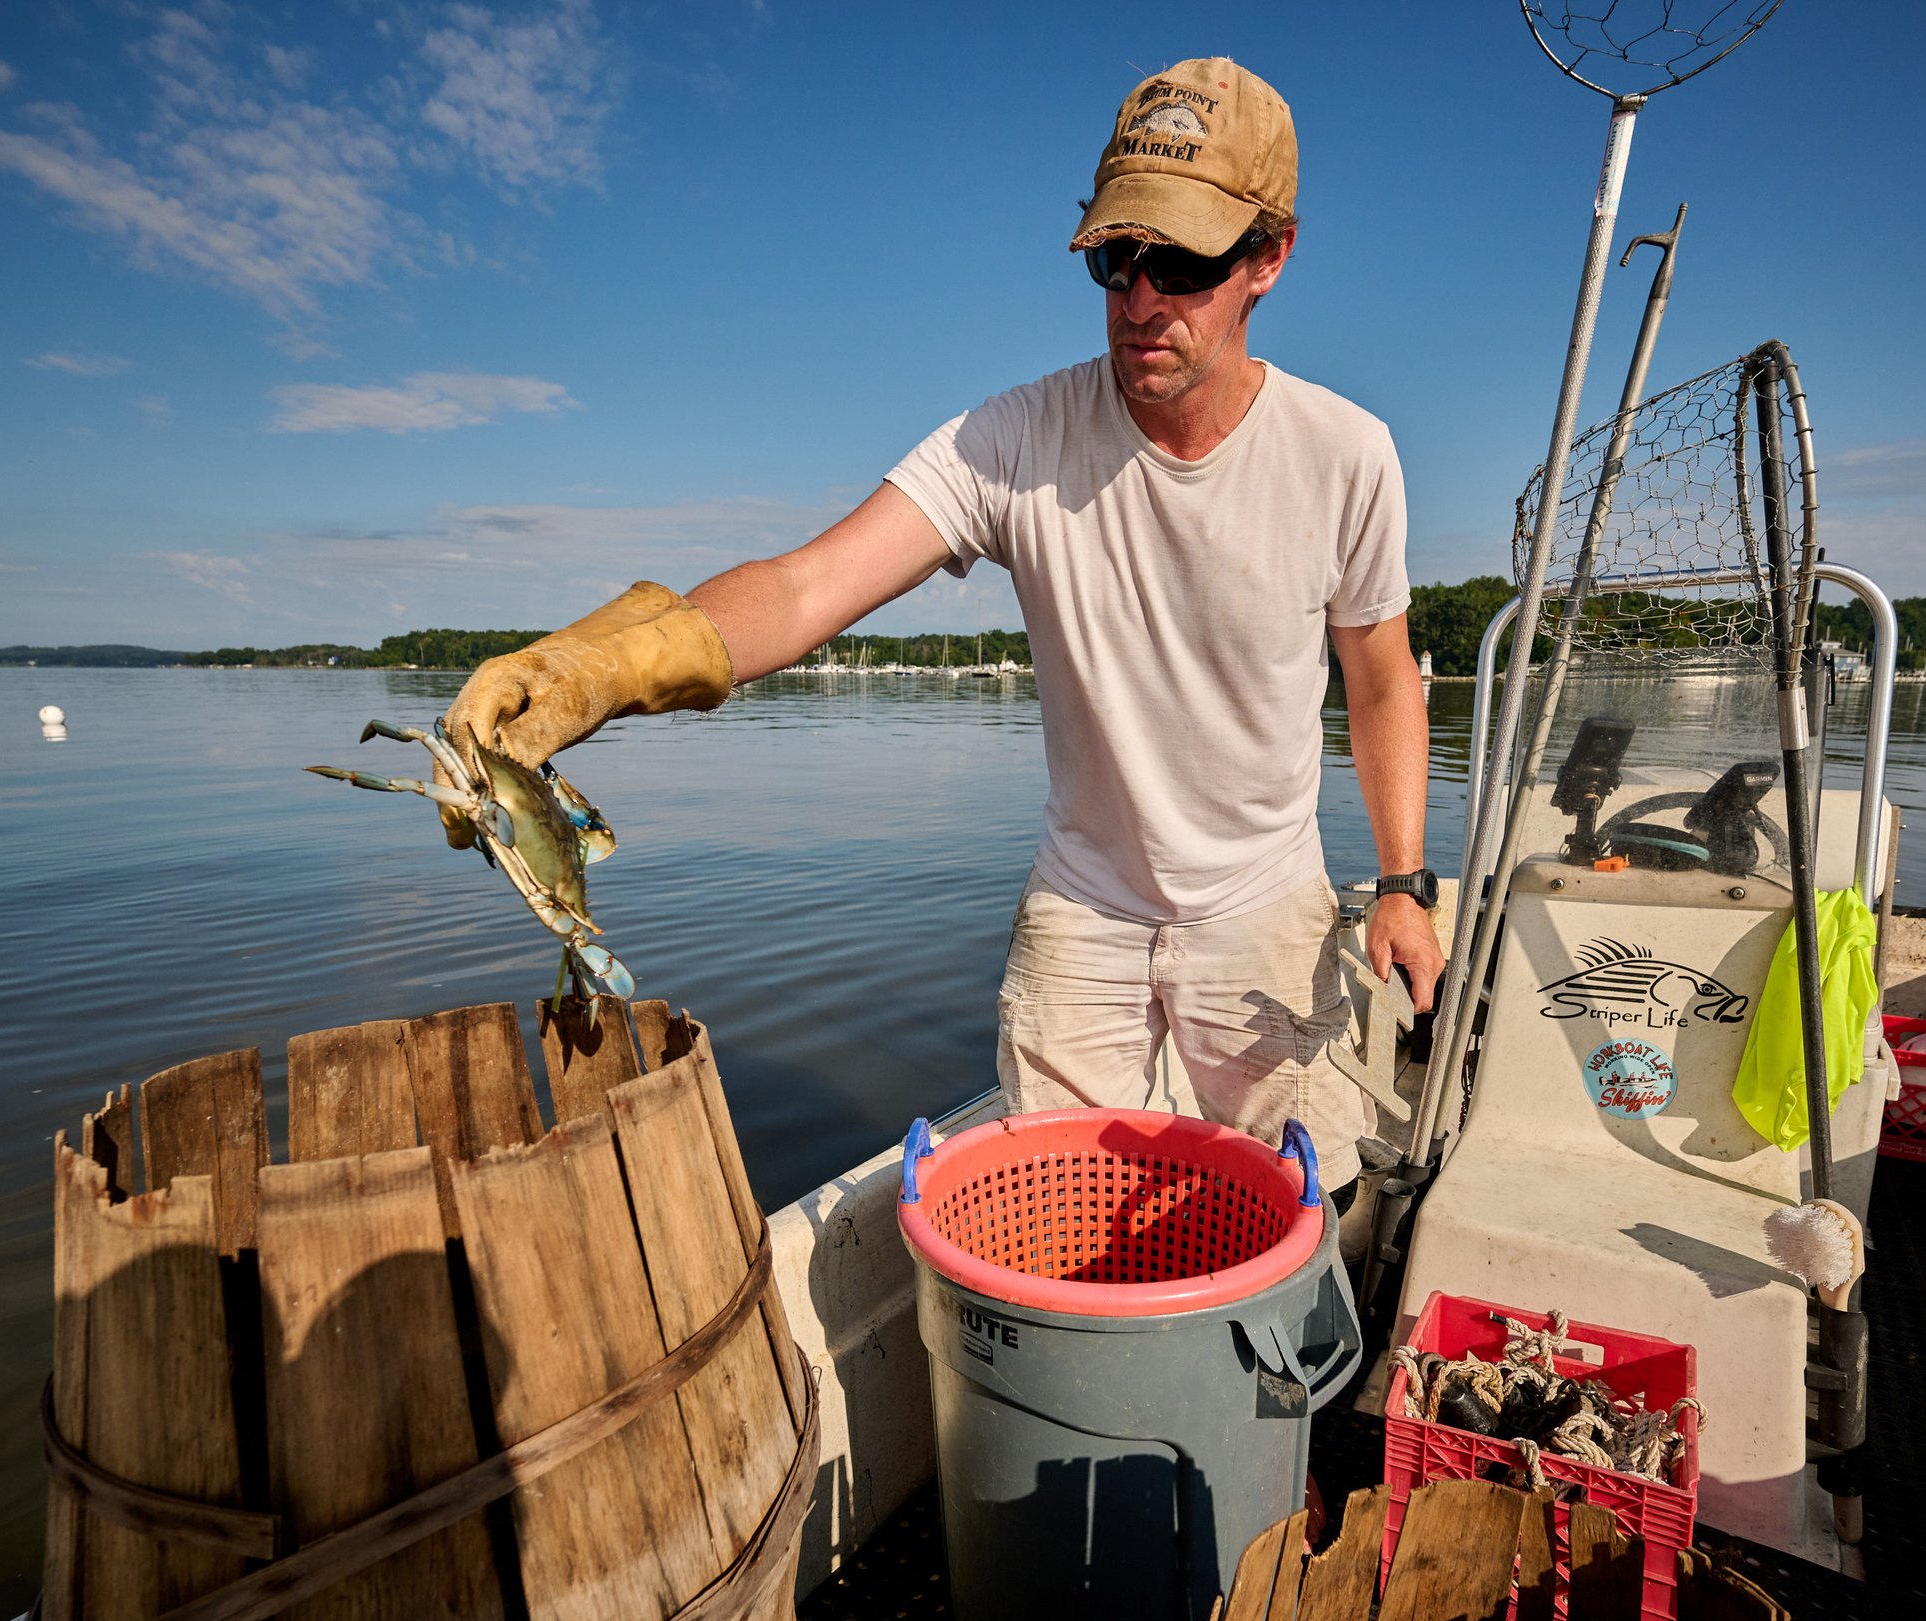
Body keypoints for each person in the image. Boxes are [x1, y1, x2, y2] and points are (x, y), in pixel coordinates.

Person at [441, 57, 1443, 1191]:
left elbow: (1379, 678)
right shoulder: (1010, 439)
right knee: (1062, 1209)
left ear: (1269, 256)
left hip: (1265, 898)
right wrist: (603, 664)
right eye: (1118, 259)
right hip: (1087, 901)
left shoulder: (1345, 455)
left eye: (1184, 262)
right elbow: (809, 587)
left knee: (1302, 1198)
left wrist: (1403, 885)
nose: (1141, 301)